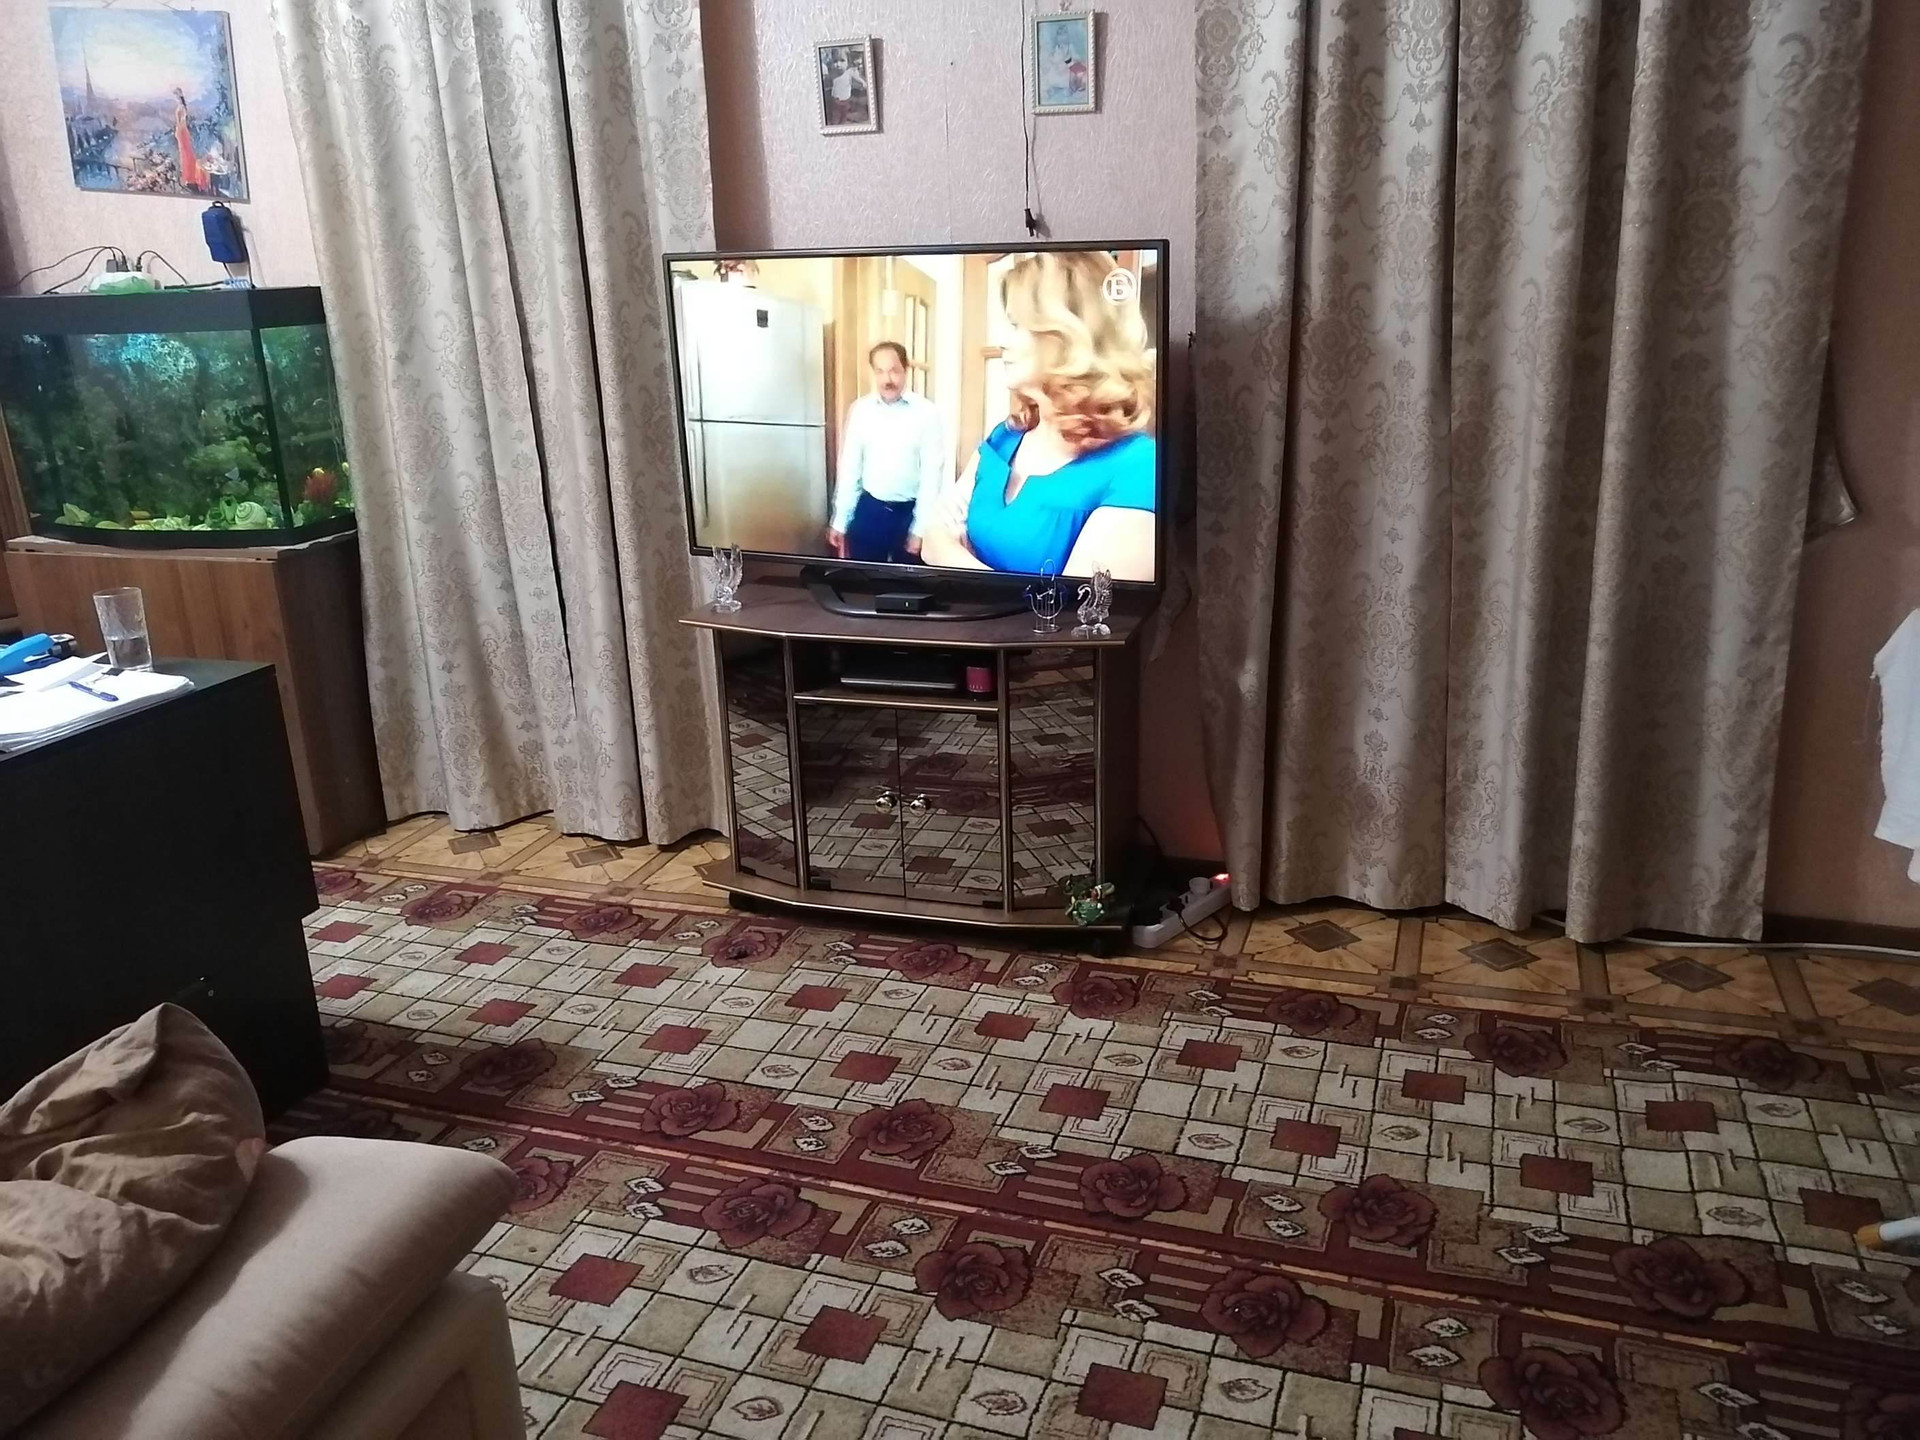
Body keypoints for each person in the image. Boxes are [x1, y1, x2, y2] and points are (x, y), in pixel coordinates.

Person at [918, 252, 1156, 581]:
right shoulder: (1005, 436)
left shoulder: (1138, 465)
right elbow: (933, 536)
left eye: (1016, 325)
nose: (1001, 342)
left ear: (1070, 335)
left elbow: (1079, 609)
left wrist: (955, 557)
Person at [826, 341, 947, 565]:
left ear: (905, 370)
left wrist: (920, 530)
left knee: (909, 583)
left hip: (908, 514)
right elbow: (850, 469)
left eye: (893, 371)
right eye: (880, 371)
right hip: (869, 511)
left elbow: (932, 476)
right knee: (864, 579)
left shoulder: (927, 413)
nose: (887, 379)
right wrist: (840, 521)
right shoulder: (861, 410)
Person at [172, 88, 206, 191]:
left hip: (182, 132)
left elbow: (182, 121)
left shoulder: (182, 107)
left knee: (186, 154)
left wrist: (179, 130)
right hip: (180, 131)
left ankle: (190, 177)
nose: (176, 97)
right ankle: (188, 177)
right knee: (183, 154)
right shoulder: (180, 106)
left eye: (177, 95)